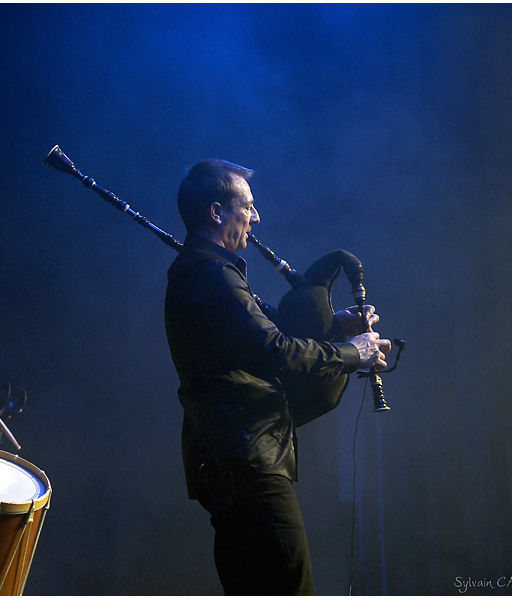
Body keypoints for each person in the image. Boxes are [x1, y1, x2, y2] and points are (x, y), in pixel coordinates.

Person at [164, 160, 392, 595]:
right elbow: (277, 352)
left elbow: (262, 342)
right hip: (248, 461)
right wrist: (354, 353)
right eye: (247, 206)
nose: (256, 217)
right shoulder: (212, 273)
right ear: (216, 212)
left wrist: (336, 328)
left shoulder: (205, 271)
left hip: (229, 462)